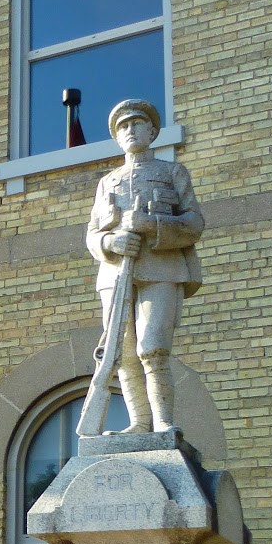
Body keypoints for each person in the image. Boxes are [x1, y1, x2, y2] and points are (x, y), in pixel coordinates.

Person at [85, 99, 204, 432]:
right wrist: (110, 242)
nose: (130, 130)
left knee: (152, 347)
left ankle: (164, 422)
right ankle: (139, 423)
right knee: (121, 352)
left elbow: (194, 224)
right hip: (115, 274)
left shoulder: (172, 173)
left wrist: (150, 224)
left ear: (152, 131)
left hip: (162, 269)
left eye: (137, 124)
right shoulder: (107, 182)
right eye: (123, 126)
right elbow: (93, 234)